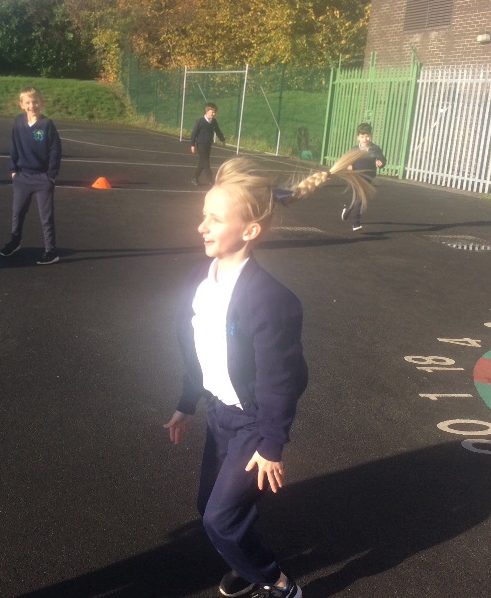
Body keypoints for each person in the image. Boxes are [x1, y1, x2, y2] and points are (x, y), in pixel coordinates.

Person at [164, 151, 371, 598]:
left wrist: (271, 444)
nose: (202, 226)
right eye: (204, 215)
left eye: (215, 219)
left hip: (254, 423)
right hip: (221, 414)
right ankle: (245, 561)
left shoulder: (270, 300)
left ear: (250, 231)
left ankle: (278, 584)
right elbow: (200, 351)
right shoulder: (202, 282)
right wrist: (186, 404)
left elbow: (281, 379)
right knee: (209, 506)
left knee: (220, 519)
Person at [0, 87, 62, 265]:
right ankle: (15, 242)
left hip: (43, 178)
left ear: (41, 103)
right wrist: (14, 170)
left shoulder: (47, 124)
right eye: (27, 102)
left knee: (46, 217)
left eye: (35, 102)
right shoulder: (18, 121)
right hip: (22, 176)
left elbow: (55, 150)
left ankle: (51, 251)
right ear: (21, 105)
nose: (32, 105)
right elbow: (14, 145)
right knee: (18, 212)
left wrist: (51, 175)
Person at [341, 122, 386, 232]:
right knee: (360, 198)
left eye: (367, 136)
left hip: (368, 177)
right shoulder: (355, 149)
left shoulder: (375, 149)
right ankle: (355, 223)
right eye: (362, 137)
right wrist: (349, 165)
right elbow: (348, 160)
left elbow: (382, 159)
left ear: (371, 136)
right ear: (358, 138)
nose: (365, 139)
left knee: (356, 197)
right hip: (356, 175)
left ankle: (347, 207)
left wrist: (381, 163)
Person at [190, 102, 226, 186]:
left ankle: (195, 178)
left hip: (208, 144)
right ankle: (210, 180)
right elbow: (194, 133)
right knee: (206, 162)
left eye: (215, 112)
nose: (214, 114)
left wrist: (222, 139)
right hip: (201, 144)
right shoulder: (200, 121)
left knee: (202, 162)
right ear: (207, 111)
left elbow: (218, 131)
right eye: (212, 112)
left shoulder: (214, 121)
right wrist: (192, 144)